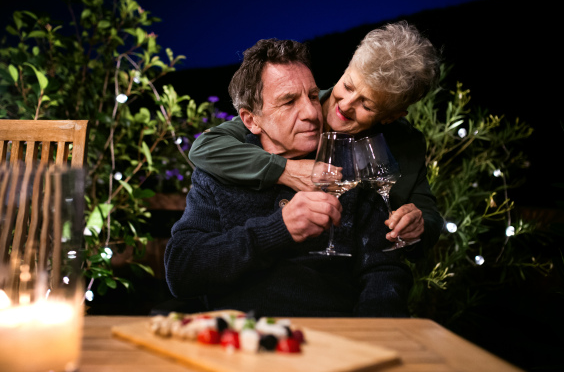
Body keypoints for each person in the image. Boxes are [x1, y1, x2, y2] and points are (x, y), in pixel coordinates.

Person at [165, 38, 413, 317]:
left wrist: (366, 340)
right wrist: (278, 229)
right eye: (288, 101)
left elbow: (384, 272)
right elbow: (181, 270)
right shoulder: (219, 175)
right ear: (251, 120)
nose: (311, 112)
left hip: (332, 344)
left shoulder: (349, 170)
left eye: (311, 95)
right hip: (239, 341)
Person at [188, 21, 442, 255]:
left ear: (391, 116)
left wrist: (419, 225)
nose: (345, 104)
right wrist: (285, 169)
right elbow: (206, 147)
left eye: (367, 104)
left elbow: (428, 217)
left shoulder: (405, 142)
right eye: (349, 86)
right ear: (347, 68)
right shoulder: (295, 112)